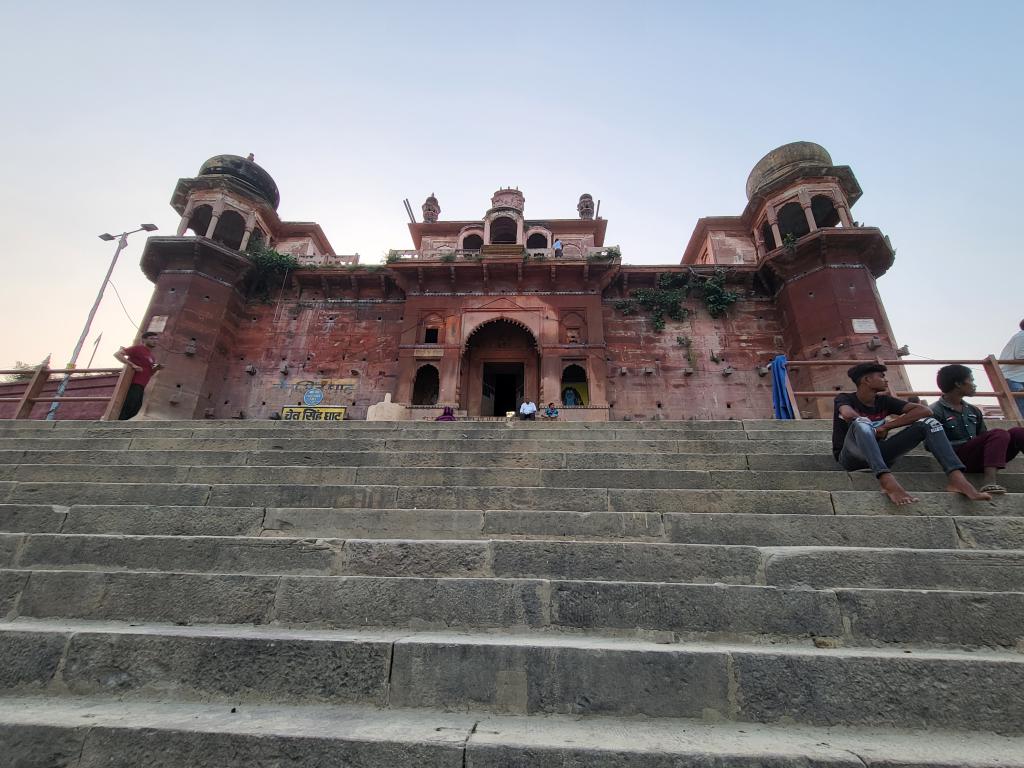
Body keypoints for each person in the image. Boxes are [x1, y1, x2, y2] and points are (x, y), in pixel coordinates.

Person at [832, 362, 990, 506]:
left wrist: (886, 426)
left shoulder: (884, 401)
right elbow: (847, 414)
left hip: (880, 453)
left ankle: (957, 479)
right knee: (861, 423)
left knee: (930, 423)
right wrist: (872, 428)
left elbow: (925, 411)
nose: (886, 380)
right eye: (881, 376)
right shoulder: (845, 398)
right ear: (866, 379)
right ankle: (886, 480)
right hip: (851, 456)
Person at [932, 364, 1024, 495]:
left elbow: (983, 436)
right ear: (958, 384)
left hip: (980, 457)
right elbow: (931, 445)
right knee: (999, 433)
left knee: (1018, 432)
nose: (974, 384)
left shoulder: (973, 410)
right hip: (958, 459)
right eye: (971, 380)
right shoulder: (935, 411)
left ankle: (989, 469)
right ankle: (990, 482)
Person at [114, 331, 163, 420]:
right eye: (152, 339)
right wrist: (133, 365)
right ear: (144, 340)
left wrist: (156, 369)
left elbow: (149, 373)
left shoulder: (152, 357)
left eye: (156, 339)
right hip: (133, 382)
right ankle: (115, 425)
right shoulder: (137, 348)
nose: (155, 341)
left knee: (135, 408)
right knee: (129, 406)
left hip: (142, 385)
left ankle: (119, 424)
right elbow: (117, 354)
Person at [999, 318, 1024, 418]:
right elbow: (1021, 355)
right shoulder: (1022, 336)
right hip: (1014, 377)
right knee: (1021, 411)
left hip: (1018, 377)